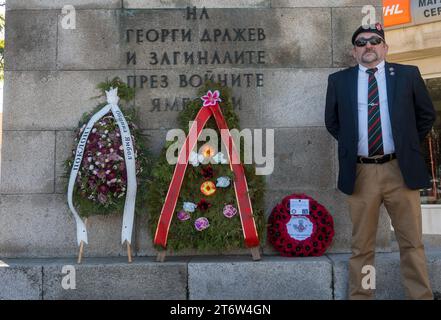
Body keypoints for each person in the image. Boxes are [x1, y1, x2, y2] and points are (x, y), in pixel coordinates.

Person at [325, 23, 435, 300]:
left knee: (412, 243)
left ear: (385, 47)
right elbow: (333, 122)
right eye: (361, 43)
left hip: (401, 169)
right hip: (361, 172)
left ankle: (420, 296)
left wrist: (406, 144)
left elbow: (426, 116)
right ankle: (362, 296)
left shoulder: (408, 75)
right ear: (354, 52)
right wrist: (356, 147)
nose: (368, 46)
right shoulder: (340, 81)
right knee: (362, 246)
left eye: (374, 41)